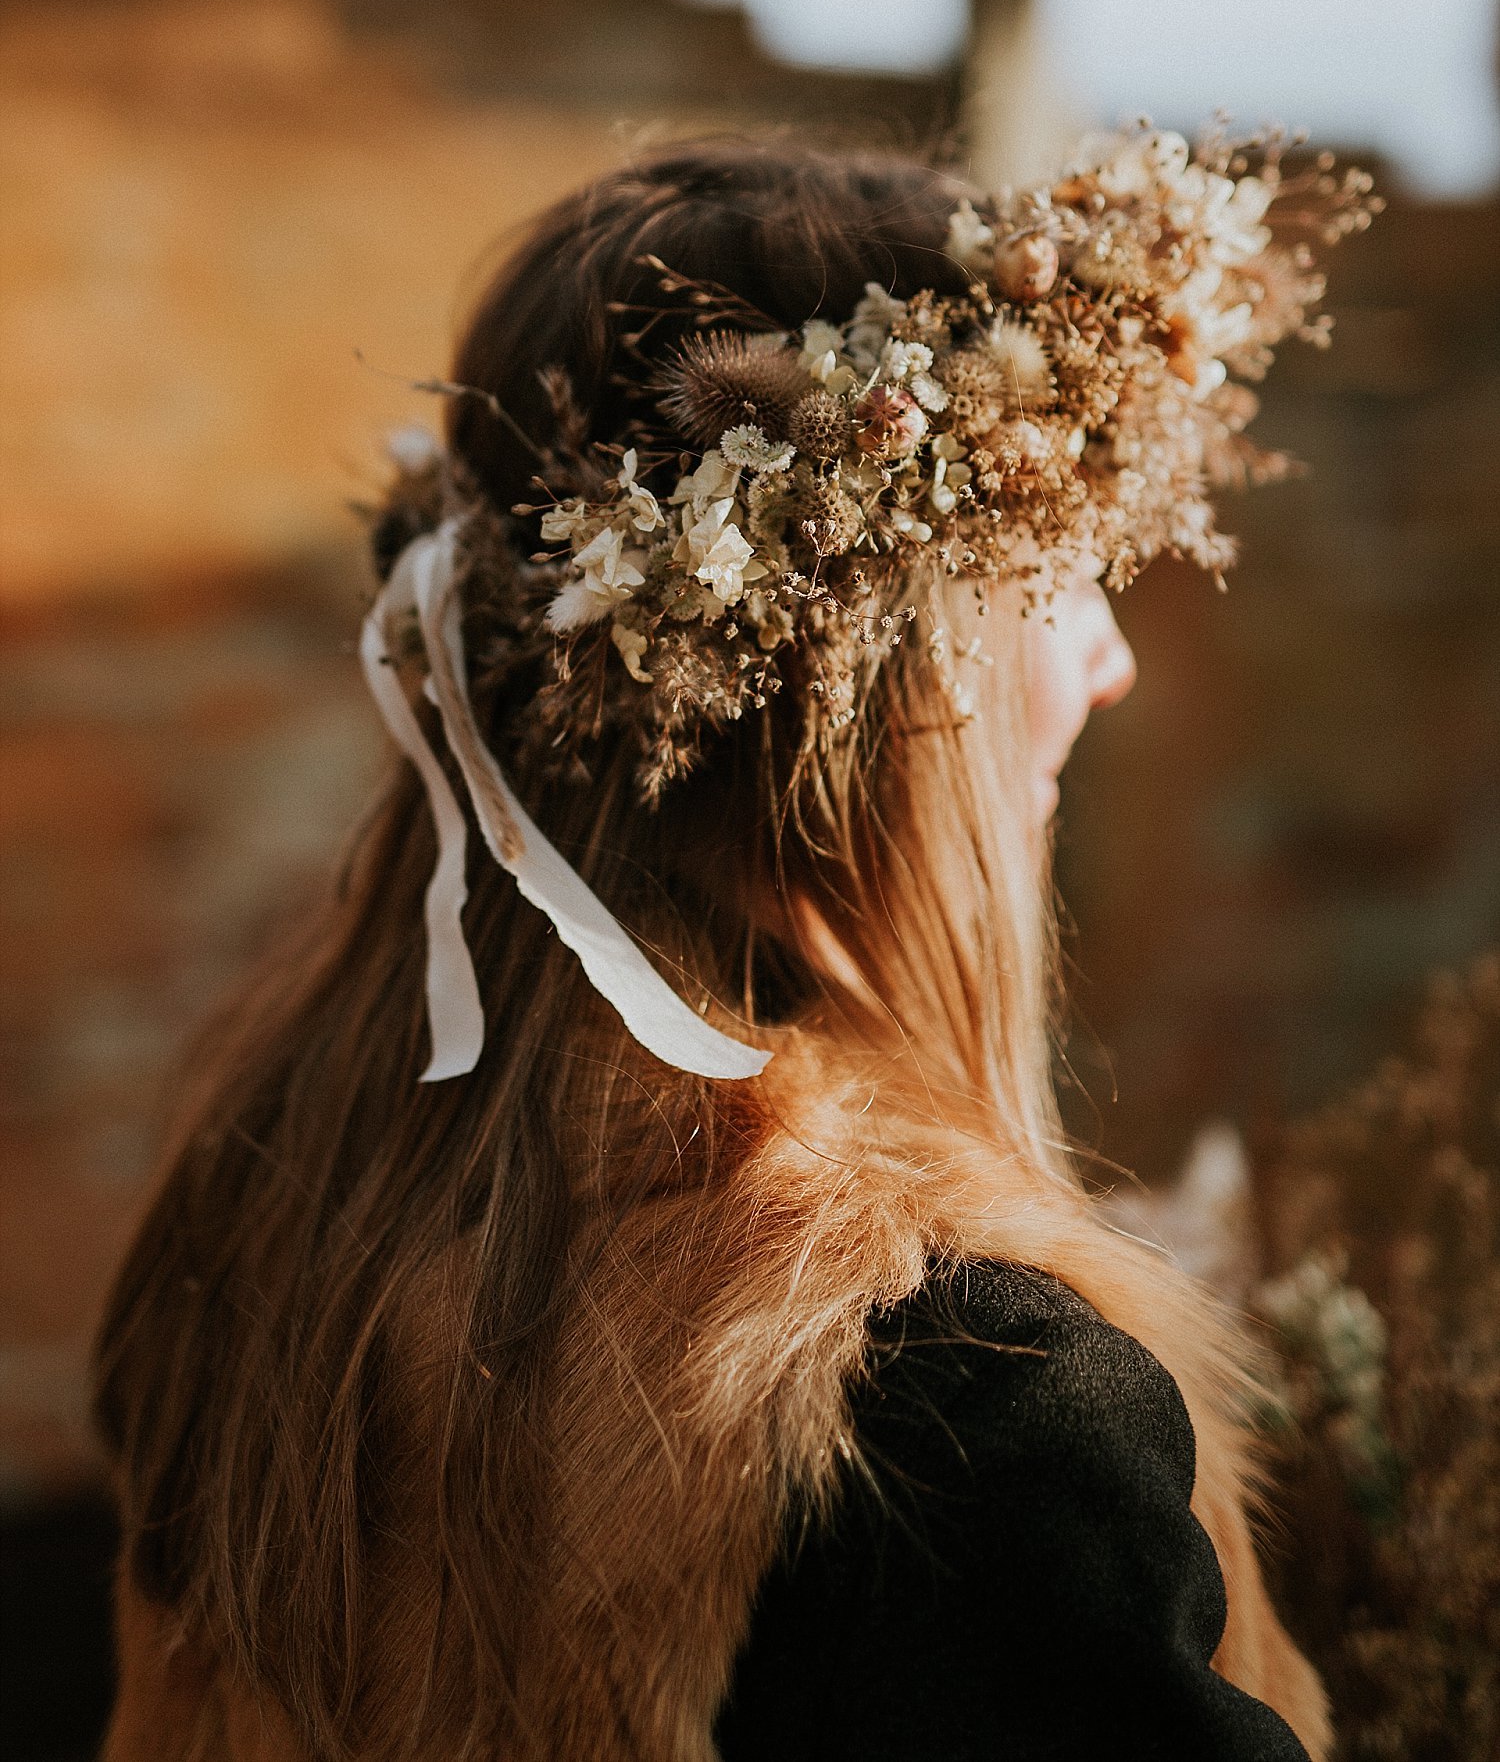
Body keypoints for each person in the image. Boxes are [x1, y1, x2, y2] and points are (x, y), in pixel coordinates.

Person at [95, 131, 1372, 1759]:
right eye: (1061, 561)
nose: (1110, 654)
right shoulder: (957, 1411)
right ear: (873, 669)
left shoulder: (272, 1184)